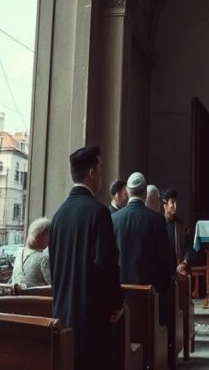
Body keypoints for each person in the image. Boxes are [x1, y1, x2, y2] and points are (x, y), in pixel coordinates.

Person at [49, 146, 124, 370]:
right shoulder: (98, 212)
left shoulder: (58, 215)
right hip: (92, 316)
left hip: (63, 314)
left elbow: (54, 267)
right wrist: (116, 303)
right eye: (100, 168)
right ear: (91, 173)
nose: (102, 174)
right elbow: (106, 265)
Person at [112, 173, 175, 353]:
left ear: (129, 192)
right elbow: (166, 259)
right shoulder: (156, 220)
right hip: (151, 291)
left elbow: (110, 258)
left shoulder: (114, 219)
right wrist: (164, 286)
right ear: (143, 193)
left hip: (122, 291)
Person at [12, 217, 52, 288]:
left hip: (18, 298)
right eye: (50, 235)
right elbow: (54, 287)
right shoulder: (43, 259)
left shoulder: (19, 254)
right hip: (37, 298)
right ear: (41, 236)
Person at [162, 188, 193, 274]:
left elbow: (188, 247)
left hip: (178, 268)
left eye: (176, 202)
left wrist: (184, 262)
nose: (175, 206)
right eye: (172, 202)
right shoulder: (158, 223)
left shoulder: (181, 226)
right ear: (165, 205)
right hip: (162, 269)